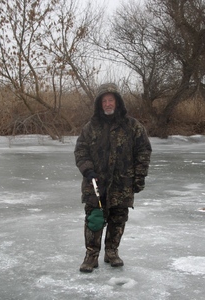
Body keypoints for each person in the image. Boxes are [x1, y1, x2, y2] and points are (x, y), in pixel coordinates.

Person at [74, 83, 152, 273]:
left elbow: (143, 151)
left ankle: (111, 252)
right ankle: (91, 256)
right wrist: (88, 170)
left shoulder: (133, 126)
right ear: (99, 104)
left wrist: (139, 177)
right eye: (104, 101)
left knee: (118, 218)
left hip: (122, 183)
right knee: (94, 218)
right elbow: (80, 152)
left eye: (111, 100)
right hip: (95, 183)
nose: (108, 104)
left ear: (117, 102)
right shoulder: (90, 127)